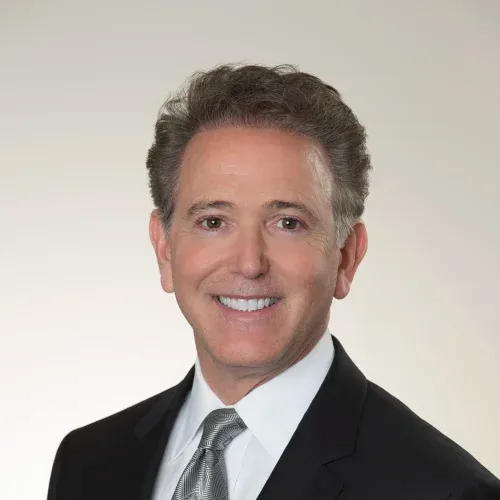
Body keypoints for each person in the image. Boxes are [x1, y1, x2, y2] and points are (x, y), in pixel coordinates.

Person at [47, 63, 500, 500]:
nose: (249, 263)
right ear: (165, 249)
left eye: (288, 223)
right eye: (213, 221)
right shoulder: (88, 462)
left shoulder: (445, 490)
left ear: (346, 256)